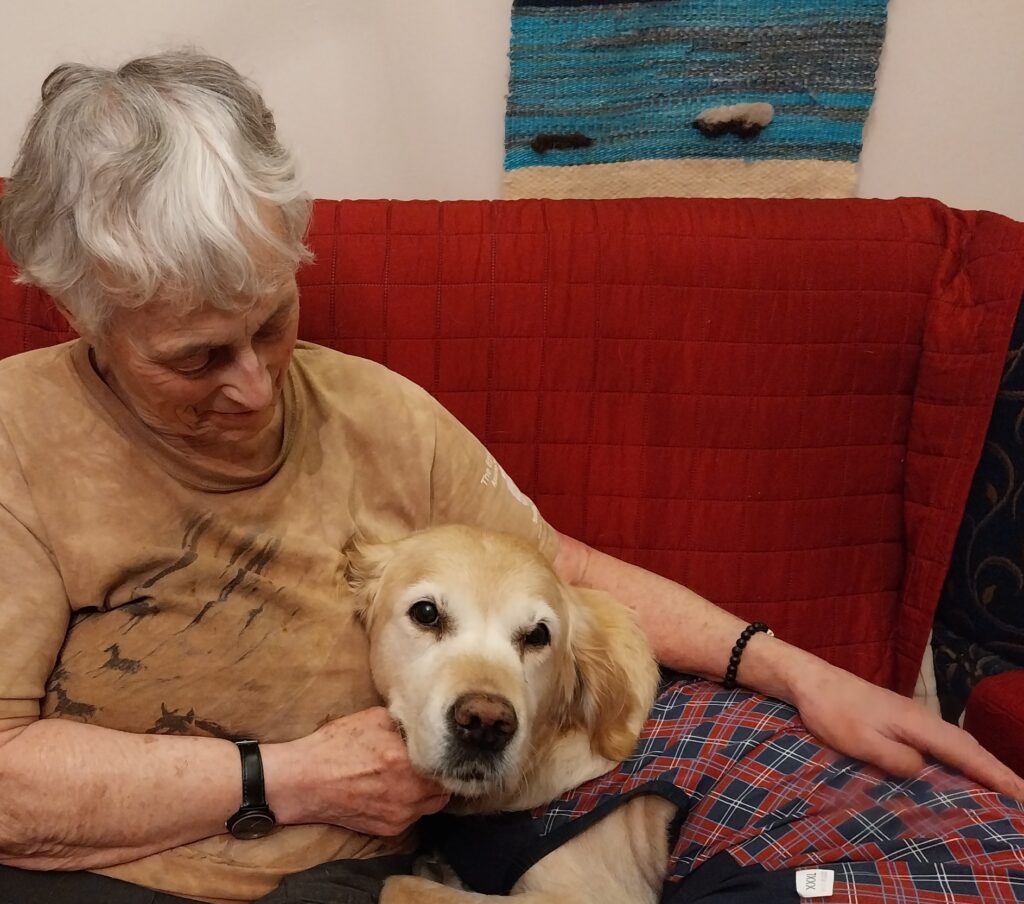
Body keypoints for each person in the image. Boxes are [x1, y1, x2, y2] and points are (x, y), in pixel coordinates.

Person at [0, 51, 1020, 904]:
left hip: (352, 874)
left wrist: (800, 672)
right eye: (196, 358)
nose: (259, 387)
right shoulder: (19, 438)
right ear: (76, 311)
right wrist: (291, 778)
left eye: (272, 321)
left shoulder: (377, 411)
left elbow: (551, 566)